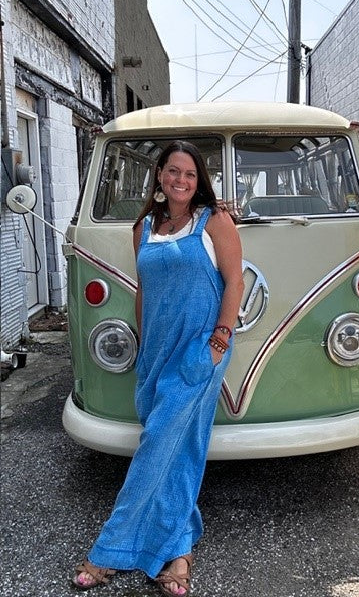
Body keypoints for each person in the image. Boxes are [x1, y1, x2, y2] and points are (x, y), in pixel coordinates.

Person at [72, 140, 244, 595]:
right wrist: (144, 345)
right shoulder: (144, 226)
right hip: (156, 352)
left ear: (198, 180)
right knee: (178, 449)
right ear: (160, 176)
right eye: (173, 171)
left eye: (189, 173)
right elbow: (144, 290)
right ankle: (180, 552)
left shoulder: (215, 220)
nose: (180, 180)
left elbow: (234, 281)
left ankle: (110, 550)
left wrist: (219, 340)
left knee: (156, 445)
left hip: (199, 351)